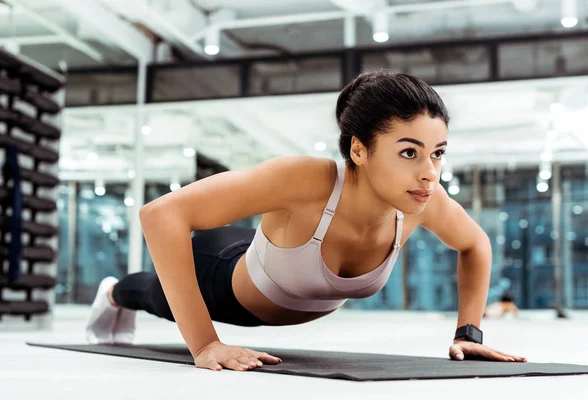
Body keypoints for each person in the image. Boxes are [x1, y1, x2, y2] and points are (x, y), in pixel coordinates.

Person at [85, 71, 527, 372]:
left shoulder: (423, 201)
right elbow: (160, 213)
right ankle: (112, 292)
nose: (430, 171)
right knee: (148, 292)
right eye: (409, 152)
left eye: (438, 153)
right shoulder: (306, 179)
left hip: (266, 257)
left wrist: (468, 332)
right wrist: (204, 344)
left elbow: (475, 244)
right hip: (221, 276)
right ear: (359, 150)